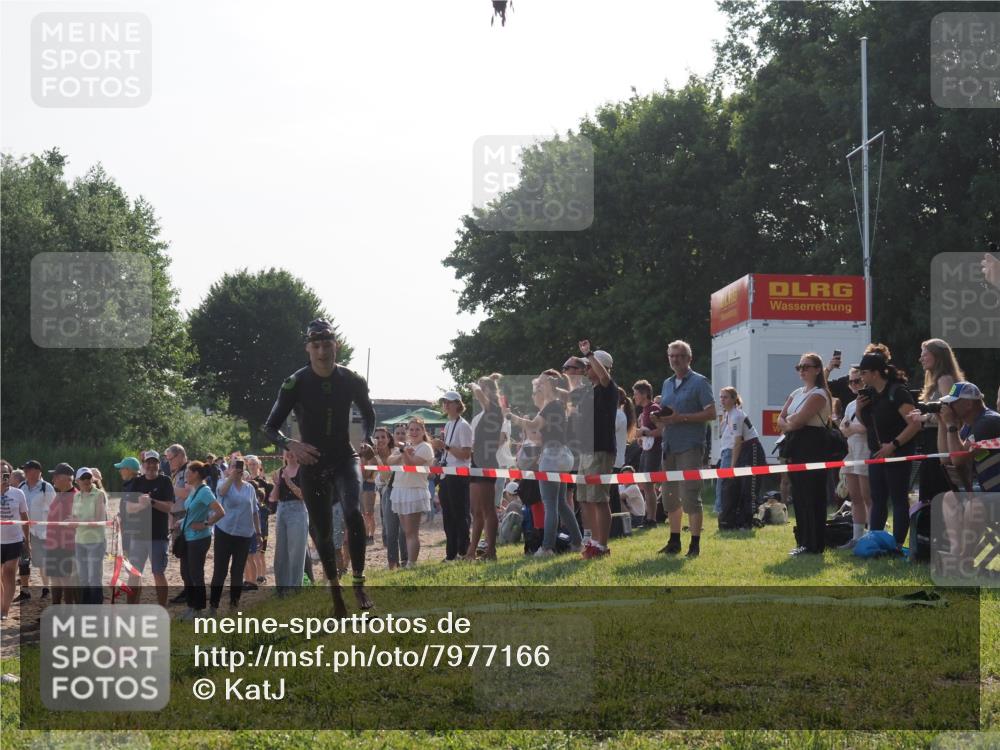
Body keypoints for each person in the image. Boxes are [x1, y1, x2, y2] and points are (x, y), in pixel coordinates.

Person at [262, 318, 377, 616]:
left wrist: (368, 441)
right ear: (308, 349)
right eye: (317, 346)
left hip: (343, 456)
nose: (323, 351)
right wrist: (292, 445)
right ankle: (335, 590)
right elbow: (270, 428)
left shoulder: (351, 379)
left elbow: (369, 416)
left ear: (335, 346)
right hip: (312, 462)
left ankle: (359, 582)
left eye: (327, 345)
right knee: (323, 531)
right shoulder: (295, 382)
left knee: (353, 512)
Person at [506, 370, 583, 557]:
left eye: (540, 383)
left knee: (550, 505)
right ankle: (577, 542)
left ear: (549, 384)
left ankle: (547, 547)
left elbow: (533, 426)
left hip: (553, 456)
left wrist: (512, 417)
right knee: (561, 504)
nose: (537, 386)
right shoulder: (558, 404)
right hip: (563, 456)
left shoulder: (551, 406)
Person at [654, 340, 716, 558]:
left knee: (690, 495)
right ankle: (674, 541)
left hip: (690, 445)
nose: (675, 359)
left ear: (689, 359)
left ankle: (695, 544)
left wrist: (682, 418)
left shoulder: (700, 382)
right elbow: (669, 413)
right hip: (669, 445)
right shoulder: (667, 383)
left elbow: (711, 413)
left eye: (679, 355)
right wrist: (659, 418)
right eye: (671, 355)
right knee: (669, 497)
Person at [855, 352, 921, 548]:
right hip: (876, 454)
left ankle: (898, 545)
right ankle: (874, 540)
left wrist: (893, 445)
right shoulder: (870, 395)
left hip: (897, 454)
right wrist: (859, 409)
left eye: (864, 372)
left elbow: (914, 424)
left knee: (899, 498)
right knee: (877, 498)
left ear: (876, 373)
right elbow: (867, 424)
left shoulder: (897, 392)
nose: (861, 377)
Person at [776, 353, 833, 556]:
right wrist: (790, 422)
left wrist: (790, 422)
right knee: (799, 496)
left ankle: (814, 544)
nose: (802, 370)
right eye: (799, 367)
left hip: (813, 445)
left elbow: (798, 421)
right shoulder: (796, 392)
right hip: (795, 446)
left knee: (812, 496)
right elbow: (780, 420)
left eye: (806, 367)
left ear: (818, 369)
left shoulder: (819, 394)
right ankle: (803, 541)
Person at [939, 381, 1000, 561]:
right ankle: (958, 552)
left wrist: (951, 424)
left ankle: (965, 559)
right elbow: (946, 458)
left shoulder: (988, 421)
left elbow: (958, 459)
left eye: (953, 402)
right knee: (950, 498)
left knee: (975, 506)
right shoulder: (969, 424)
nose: (949, 406)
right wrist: (944, 425)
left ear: (968, 403)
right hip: (990, 491)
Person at [908, 339, 965, 504]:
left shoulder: (944, 380)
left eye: (924, 354)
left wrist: (924, 417)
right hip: (933, 439)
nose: (921, 359)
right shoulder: (936, 380)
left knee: (937, 490)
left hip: (941, 440)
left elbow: (948, 411)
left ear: (937, 356)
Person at [575, 341, 618, 559]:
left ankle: (602, 546)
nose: (586, 369)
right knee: (584, 498)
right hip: (586, 450)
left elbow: (604, 377)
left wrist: (589, 353)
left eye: (589, 365)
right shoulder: (587, 391)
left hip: (600, 450)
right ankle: (591, 541)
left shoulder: (608, 387)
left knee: (599, 499)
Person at [209, 460, 261, 614]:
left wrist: (258, 533)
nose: (237, 470)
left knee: (237, 571)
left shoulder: (250, 488)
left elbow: (254, 511)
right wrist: (231, 477)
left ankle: (234, 605)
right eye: (234, 467)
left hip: (244, 534)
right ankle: (213, 605)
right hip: (224, 531)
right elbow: (221, 493)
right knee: (220, 570)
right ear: (229, 469)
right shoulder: (223, 483)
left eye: (240, 467)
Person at [124, 451, 174, 606]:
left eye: (154, 462)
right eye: (148, 462)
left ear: (159, 464)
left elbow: (169, 507)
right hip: (138, 536)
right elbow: (129, 508)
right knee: (134, 574)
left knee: (158, 573)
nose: (151, 465)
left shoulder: (165, 481)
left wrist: (151, 502)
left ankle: (162, 607)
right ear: (143, 464)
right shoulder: (137, 482)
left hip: (158, 535)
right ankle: (131, 608)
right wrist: (140, 505)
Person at [177, 462, 225, 621]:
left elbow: (220, 512)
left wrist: (206, 523)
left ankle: (198, 609)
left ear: (196, 473)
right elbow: (193, 512)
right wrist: (182, 521)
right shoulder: (194, 490)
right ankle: (191, 606)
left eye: (189, 472)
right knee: (186, 573)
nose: (186, 475)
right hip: (188, 537)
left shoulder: (204, 491)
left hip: (199, 539)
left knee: (195, 574)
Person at [432, 391, 473, 562]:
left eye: (449, 402)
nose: (446, 405)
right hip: (447, 473)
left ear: (457, 404)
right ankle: (451, 554)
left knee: (460, 515)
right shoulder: (449, 425)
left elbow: (466, 454)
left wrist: (445, 447)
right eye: (444, 402)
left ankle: (463, 551)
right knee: (448, 515)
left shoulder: (463, 426)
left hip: (459, 474)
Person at [388, 418, 435, 566]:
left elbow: (411, 463)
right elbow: (389, 460)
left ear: (423, 431)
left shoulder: (425, 447)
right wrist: (403, 451)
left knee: (411, 531)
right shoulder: (405, 446)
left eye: (417, 429)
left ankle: (411, 563)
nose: (414, 432)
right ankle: (408, 562)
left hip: (414, 491)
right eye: (411, 429)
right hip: (400, 489)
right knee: (406, 531)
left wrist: (404, 452)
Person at [469, 375, 505, 561]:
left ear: (491, 391)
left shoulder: (496, 409)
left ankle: (491, 551)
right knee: (476, 511)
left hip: (487, 462)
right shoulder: (483, 414)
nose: (480, 392)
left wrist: (475, 385)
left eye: (485, 388)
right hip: (476, 462)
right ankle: (471, 552)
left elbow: (481, 396)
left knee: (488, 509)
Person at [838, 368, 872, 549]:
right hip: (851, 452)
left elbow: (867, 427)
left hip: (865, 451)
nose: (853, 385)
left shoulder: (871, 400)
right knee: (855, 497)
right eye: (851, 382)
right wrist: (850, 428)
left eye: (857, 381)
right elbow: (843, 427)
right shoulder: (851, 404)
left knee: (868, 497)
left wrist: (850, 428)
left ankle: (872, 536)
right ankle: (857, 537)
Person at [271, 448, 308, 595]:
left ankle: (294, 588)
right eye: (287, 451)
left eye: (293, 451)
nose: (290, 453)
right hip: (282, 510)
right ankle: (281, 588)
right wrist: (277, 484)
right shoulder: (280, 470)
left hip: (298, 510)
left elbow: (303, 495)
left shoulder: (303, 470)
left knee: (296, 551)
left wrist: (288, 481)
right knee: (281, 550)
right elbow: (273, 498)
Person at [17, 459, 55, 602]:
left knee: (42, 561)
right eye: (24, 470)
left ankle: (46, 588)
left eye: (27, 470)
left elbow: (54, 509)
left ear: (37, 471)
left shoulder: (47, 487)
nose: (25, 472)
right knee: (23, 561)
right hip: (24, 531)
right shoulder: (21, 486)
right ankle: (25, 591)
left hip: (42, 531)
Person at [71, 468, 107, 604]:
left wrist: (76, 522)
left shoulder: (99, 495)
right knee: (83, 577)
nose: (86, 480)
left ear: (92, 479)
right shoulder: (77, 496)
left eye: (88, 477)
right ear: (77, 481)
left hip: (96, 541)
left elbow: (98, 520)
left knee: (94, 577)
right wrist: (70, 522)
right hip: (80, 540)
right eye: (83, 478)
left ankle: (96, 607)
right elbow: (75, 518)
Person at [44, 463, 78, 605]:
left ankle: (69, 611)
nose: (53, 479)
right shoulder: (60, 494)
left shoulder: (76, 496)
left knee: (66, 578)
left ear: (65, 478)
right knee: (55, 577)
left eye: (56, 476)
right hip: (53, 543)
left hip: (67, 545)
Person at [1, 468, 30, 621]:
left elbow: (25, 517)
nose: (3, 476)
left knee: (9, 572)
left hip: (14, 540)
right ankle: (2, 604)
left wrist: (28, 542)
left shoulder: (18, 493)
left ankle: (5, 609)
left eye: (5, 473)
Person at [632, 380, 663, 528]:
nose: (634, 397)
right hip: (646, 449)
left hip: (654, 451)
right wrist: (641, 438)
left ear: (645, 394)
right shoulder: (644, 410)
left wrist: (646, 432)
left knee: (649, 485)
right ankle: (648, 517)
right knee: (645, 485)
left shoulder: (654, 408)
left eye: (636, 394)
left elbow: (662, 430)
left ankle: (652, 519)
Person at [163, 446, 191, 604]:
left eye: (171, 458)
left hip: (186, 517)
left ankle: (190, 591)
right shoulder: (175, 473)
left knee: (187, 556)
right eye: (167, 458)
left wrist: (170, 488)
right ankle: (187, 589)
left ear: (180, 455)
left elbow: (187, 493)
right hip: (175, 518)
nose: (168, 461)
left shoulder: (189, 471)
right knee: (182, 556)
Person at [381, 425, 410, 569]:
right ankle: (392, 562)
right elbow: (390, 463)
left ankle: (406, 560)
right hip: (390, 491)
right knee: (390, 529)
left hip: (406, 491)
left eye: (403, 433)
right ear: (394, 435)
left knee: (404, 531)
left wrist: (404, 452)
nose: (400, 435)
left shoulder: (412, 450)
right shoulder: (393, 451)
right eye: (397, 433)